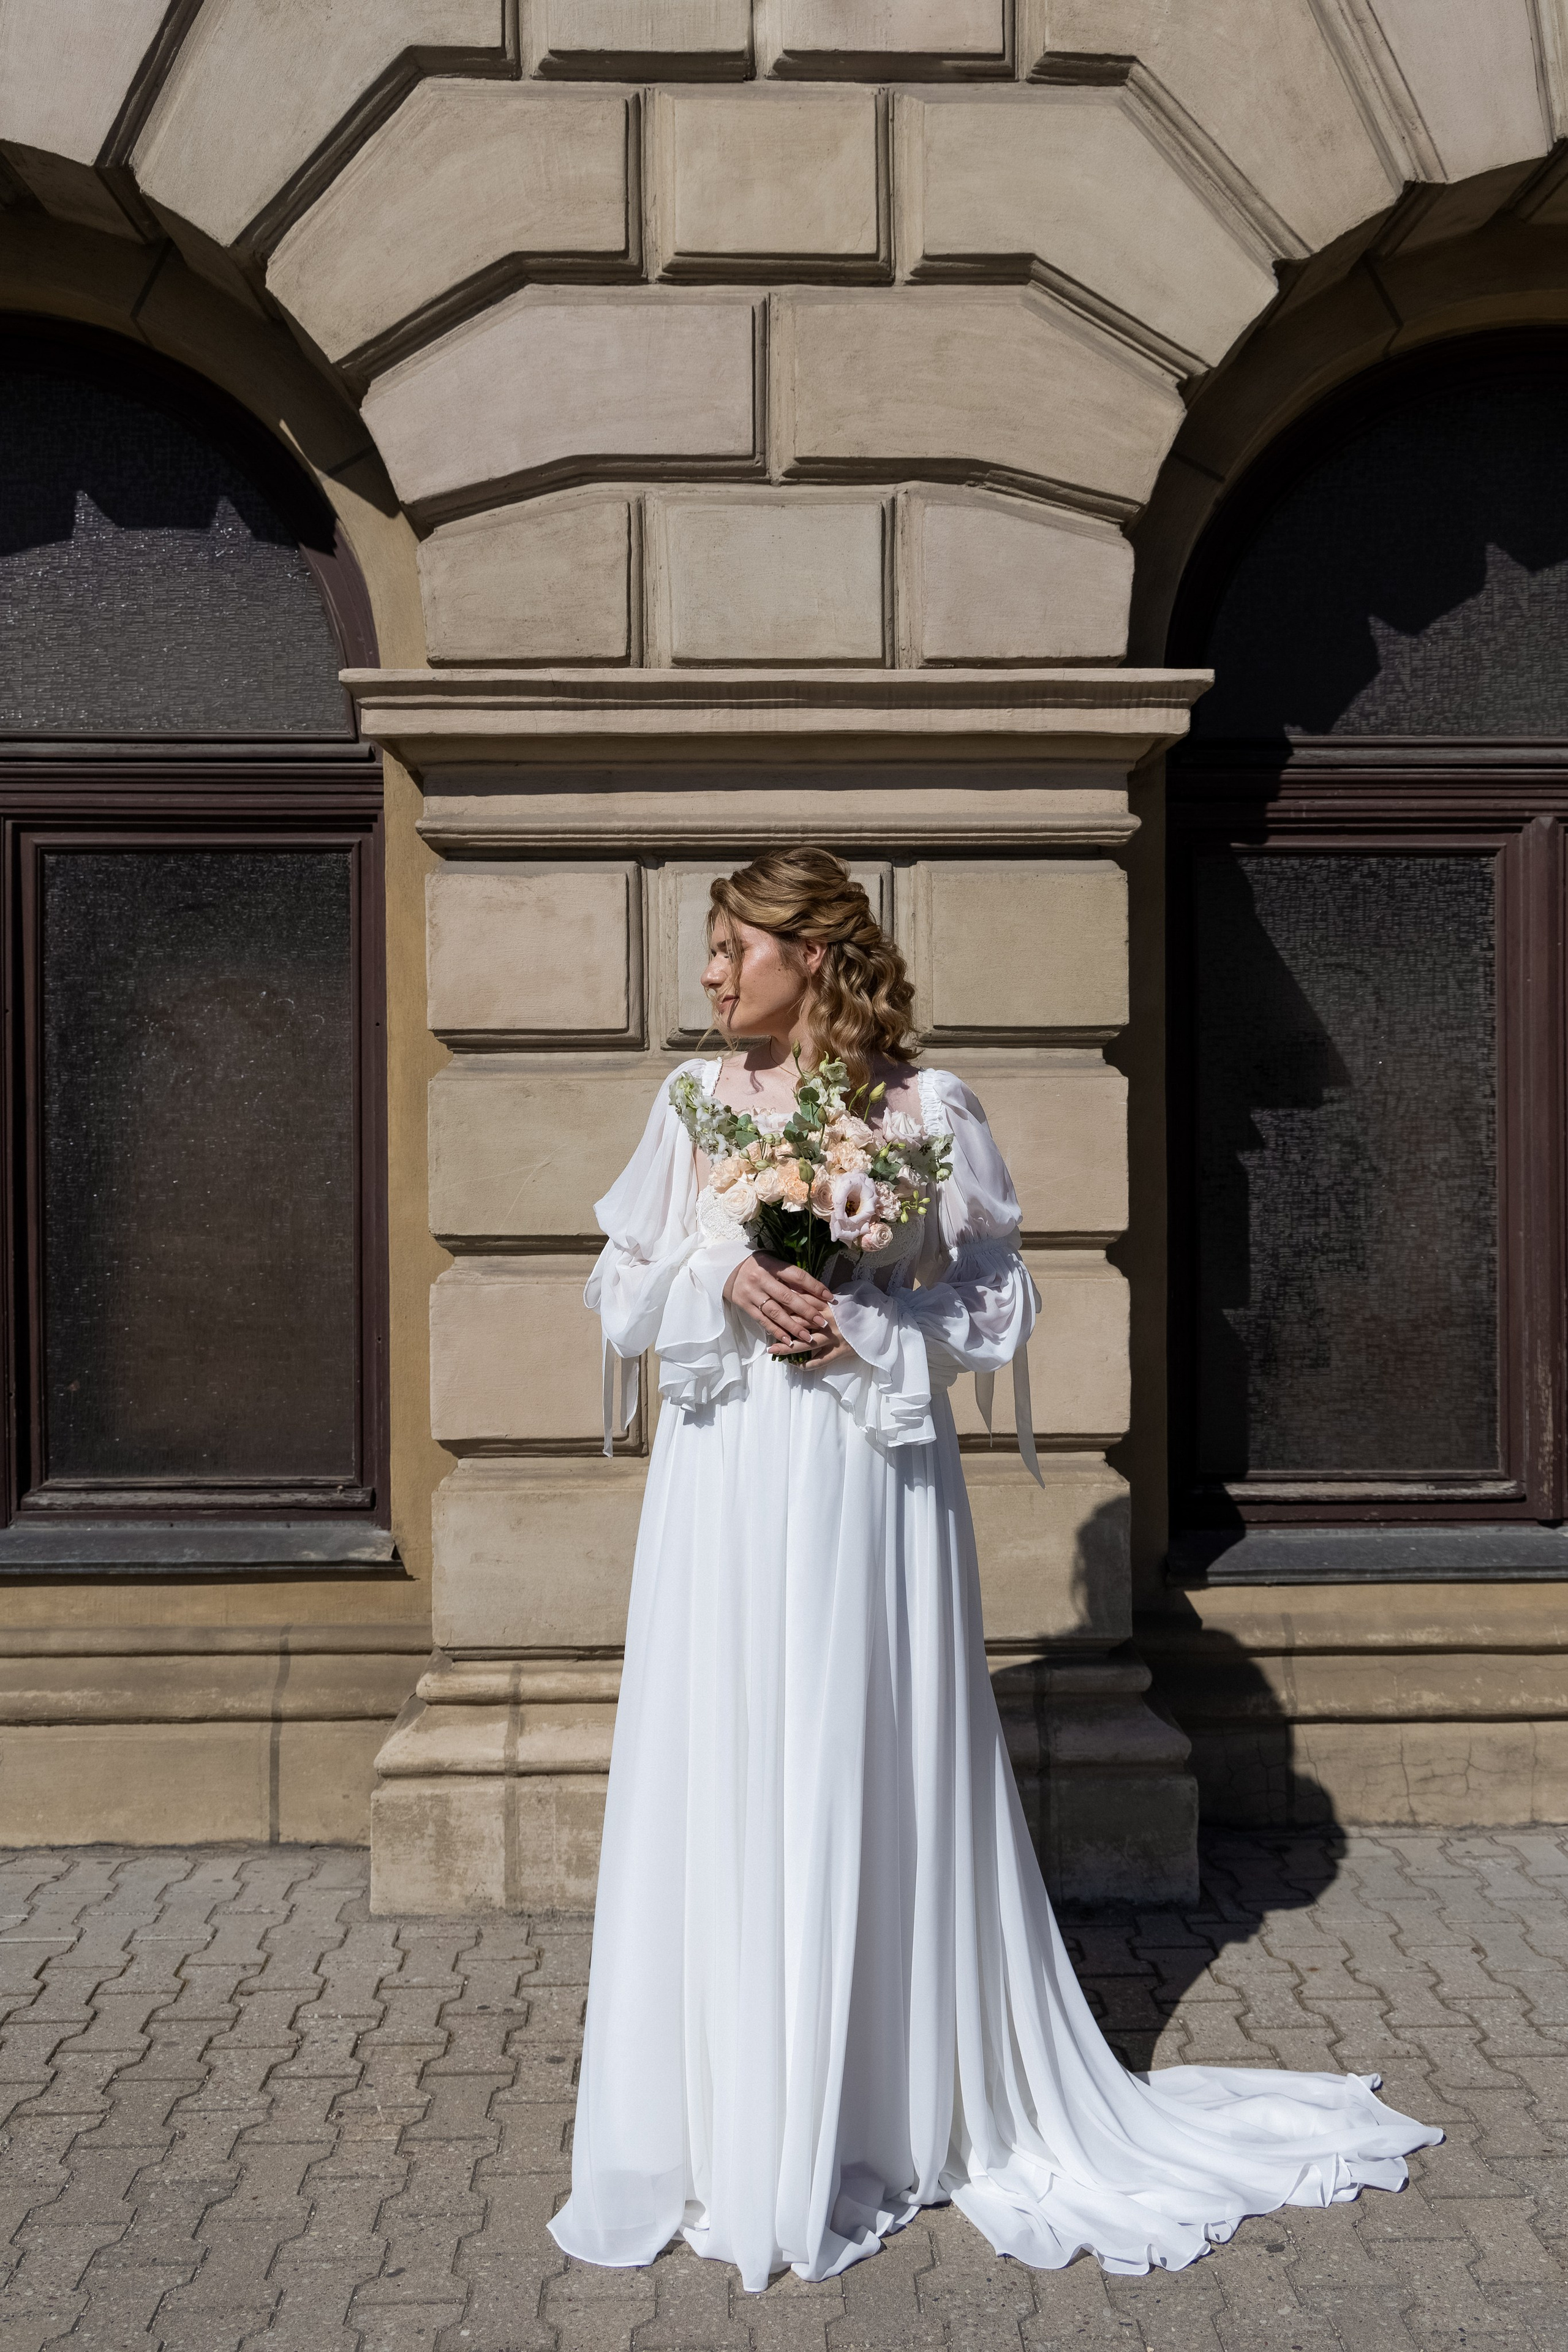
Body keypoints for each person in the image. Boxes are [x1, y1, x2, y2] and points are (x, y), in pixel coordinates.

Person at [547, 846, 1439, 2292]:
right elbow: (614, 1283)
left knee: (855, 1753)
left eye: (734, 948)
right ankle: (725, 2112)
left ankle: (881, 2106)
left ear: (815, 955)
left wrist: (873, 1323)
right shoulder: (692, 1105)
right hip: (720, 1487)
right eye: (708, 949)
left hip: (863, 1479)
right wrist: (719, 1275)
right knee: (727, 1753)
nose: (709, 975)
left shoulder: (922, 1110)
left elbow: (995, 1297)